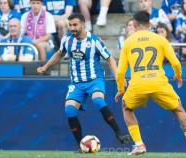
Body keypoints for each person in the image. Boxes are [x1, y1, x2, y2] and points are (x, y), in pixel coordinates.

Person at [115, 11, 186, 157]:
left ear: (135, 25)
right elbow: (175, 62)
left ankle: (139, 144)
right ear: (150, 24)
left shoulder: (128, 43)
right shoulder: (160, 39)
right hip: (158, 82)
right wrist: (178, 75)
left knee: (126, 108)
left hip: (138, 83)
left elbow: (120, 72)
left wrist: (120, 89)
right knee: (179, 110)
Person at [37, 13, 130, 149]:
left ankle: (118, 132)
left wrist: (118, 77)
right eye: (70, 25)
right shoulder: (66, 40)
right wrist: (45, 66)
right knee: (69, 110)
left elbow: (110, 59)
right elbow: (59, 54)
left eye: (75, 25)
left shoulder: (94, 41)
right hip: (77, 83)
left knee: (98, 101)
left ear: (83, 24)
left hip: (94, 79)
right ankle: (82, 145)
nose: (72, 28)